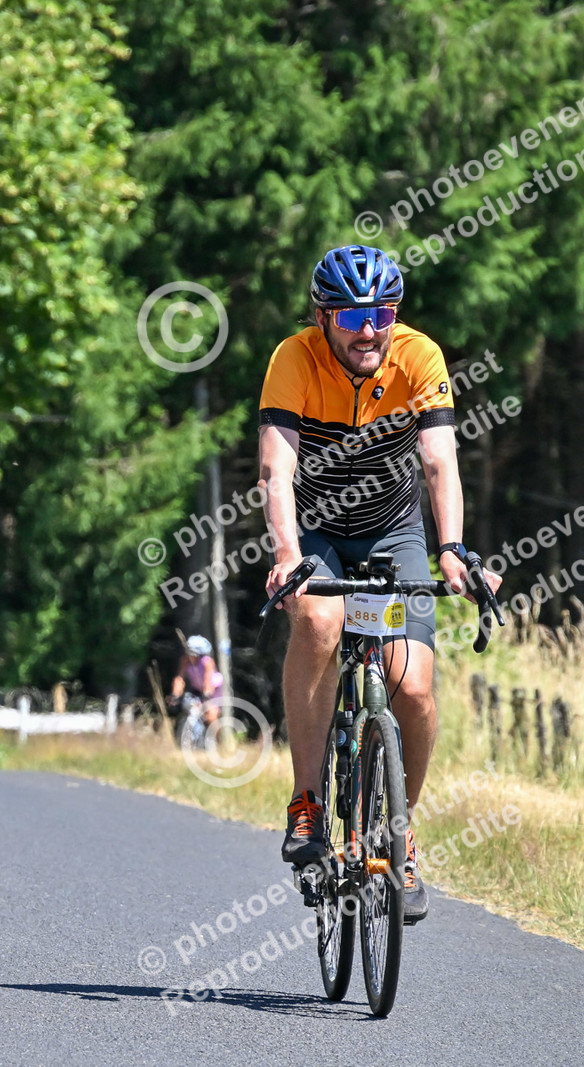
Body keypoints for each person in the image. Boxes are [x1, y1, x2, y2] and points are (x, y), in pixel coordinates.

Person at [258, 245, 499, 924]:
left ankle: (399, 835)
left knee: (412, 687)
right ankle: (307, 801)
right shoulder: (293, 359)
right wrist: (286, 553)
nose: (369, 330)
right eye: (352, 316)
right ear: (322, 317)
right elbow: (276, 470)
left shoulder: (419, 356)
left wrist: (451, 549)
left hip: (394, 532)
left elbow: (439, 460)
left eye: (382, 314)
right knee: (318, 623)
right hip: (317, 533)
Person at [170, 635, 222, 736]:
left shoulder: (207, 662)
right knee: (188, 708)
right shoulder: (185, 661)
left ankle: (217, 739)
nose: (191, 657)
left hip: (214, 690)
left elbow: (208, 680)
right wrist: (175, 695)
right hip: (197, 689)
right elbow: (179, 679)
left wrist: (206, 696)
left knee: (211, 715)